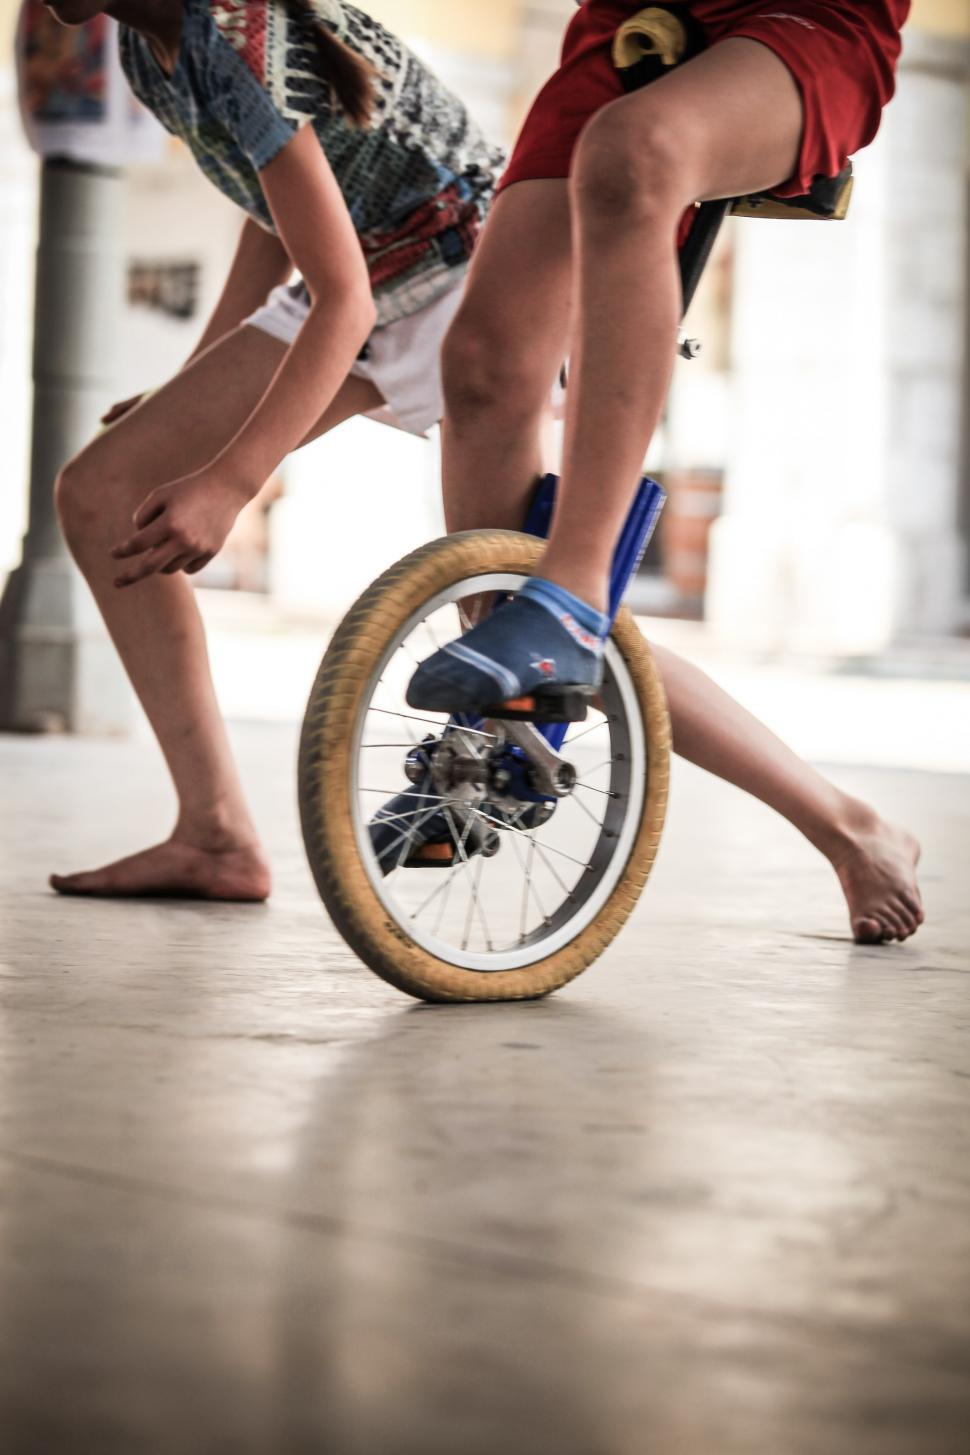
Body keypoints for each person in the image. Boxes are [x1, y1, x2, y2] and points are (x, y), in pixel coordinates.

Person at [47, 0, 921, 944]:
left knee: (528, 612)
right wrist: (191, 394)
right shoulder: (149, 49)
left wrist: (229, 476)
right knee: (108, 492)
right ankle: (214, 830)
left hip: (427, 272)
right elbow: (276, 213)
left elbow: (346, 299)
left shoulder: (235, 33)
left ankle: (845, 823)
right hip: (366, 270)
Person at [406, 0, 923, 944]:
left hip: (803, 19)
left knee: (635, 152)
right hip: (631, 21)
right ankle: (508, 723)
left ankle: (566, 596)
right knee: (483, 363)